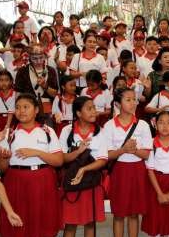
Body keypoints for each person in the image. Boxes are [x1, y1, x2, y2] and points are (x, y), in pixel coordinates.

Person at [0, 93, 63, 237]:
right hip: (15, 181)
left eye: (26, 107)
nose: (21, 111)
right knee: (18, 224)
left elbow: (59, 161)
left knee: (43, 222)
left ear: (36, 110)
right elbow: (0, 169)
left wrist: (37, 153)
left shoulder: (47, 131)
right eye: (18, 107)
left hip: (43, 180)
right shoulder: (9, 134)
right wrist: (4, 158)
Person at [101, 88, 152, 237]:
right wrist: (123, 150)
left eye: (134, 99)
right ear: (117, 103)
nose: (133, 103)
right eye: (128, 100)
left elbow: (147, 154)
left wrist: (134, 150)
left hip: (137, 171)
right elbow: (107, 155)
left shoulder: (143, 125)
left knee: (134, 213)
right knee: (118, 213)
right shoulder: (109, 126)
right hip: (119, 171)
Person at [60, 96, 107, 237]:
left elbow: (103, 160)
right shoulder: (67, 130)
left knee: (90, 222)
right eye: (89, 108)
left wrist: (84, 169)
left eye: (94, 107)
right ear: (79, 113)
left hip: (91, 182)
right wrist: (78, 152)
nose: (94, 111)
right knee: (70, 223)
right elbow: (62, 158)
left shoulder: (100, 131)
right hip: (72, 182)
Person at [14, 44, 59, 125]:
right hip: (27, 108)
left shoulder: (51, 70)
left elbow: (55, 94)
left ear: (45, 57)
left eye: (41, 58)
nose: (38, 61)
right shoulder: (22, 71)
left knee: (47, 133)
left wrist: (45, 86)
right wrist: (18, 109)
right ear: (29, 58)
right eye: (34, 58)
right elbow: (18, 93)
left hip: (47, 108)